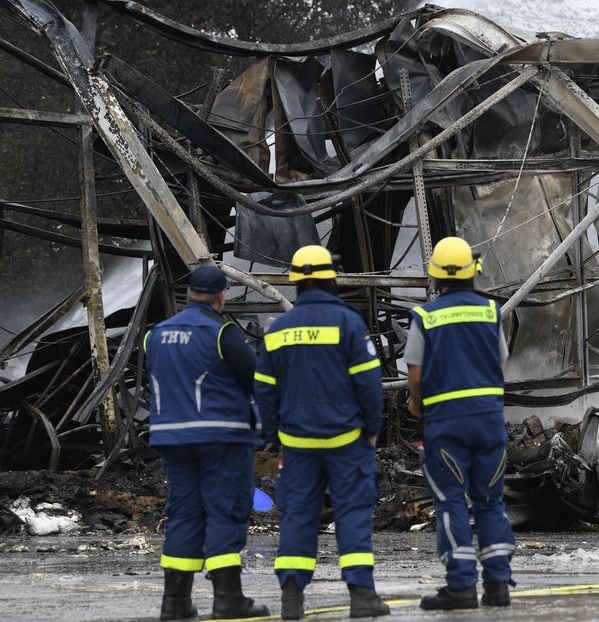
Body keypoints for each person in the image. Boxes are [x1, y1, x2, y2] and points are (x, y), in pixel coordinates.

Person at [254, 245, 389, 620]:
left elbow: (263, 388)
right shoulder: (348, 323)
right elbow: (368, 384)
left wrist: (276, 432)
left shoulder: (278, 329)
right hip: (347, 440)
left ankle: (292, 599)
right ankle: (362, 597)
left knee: (298, 515)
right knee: (353, 513)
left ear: (296, 283)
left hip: (297, 444)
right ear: (332, 278)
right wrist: (372, 429)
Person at [145, 265, 269, 621]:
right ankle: (228, 599)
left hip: (171, 438)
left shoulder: (156, 335)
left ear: (188, 294)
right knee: (225, 510)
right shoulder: (223, 333)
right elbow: (255, 379)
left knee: (184, 512)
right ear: (220, 296)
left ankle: (175, 603)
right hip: (221, 437)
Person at [406, 236, 515, 611]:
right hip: (488, 422)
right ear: (473, 272)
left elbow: (416, 375)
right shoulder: (490, 311)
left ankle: (461, 587)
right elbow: (501, 365)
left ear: (436, 276)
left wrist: (416, 407)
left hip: (446, 426)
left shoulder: (425, 317)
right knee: (490, 501)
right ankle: (498, 585)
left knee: (451, 501)